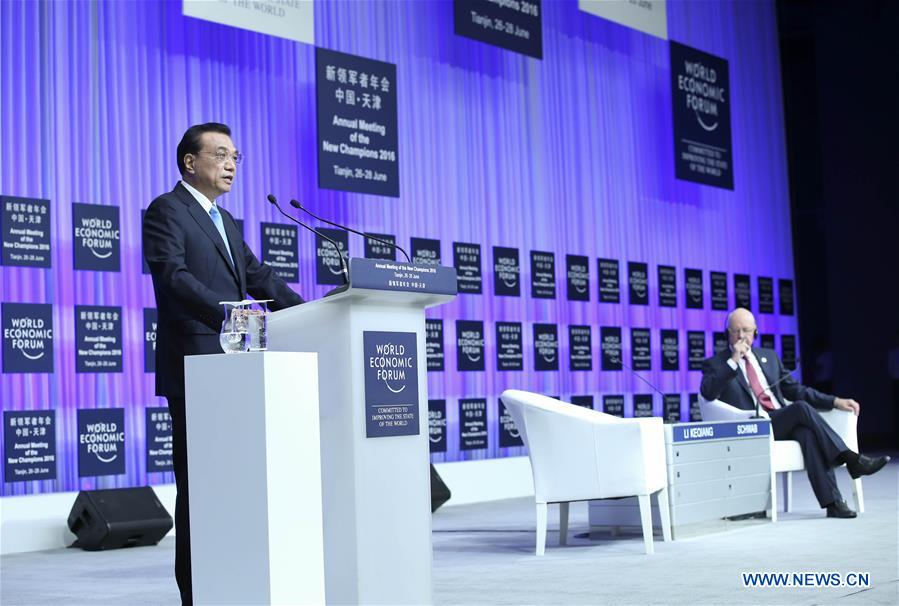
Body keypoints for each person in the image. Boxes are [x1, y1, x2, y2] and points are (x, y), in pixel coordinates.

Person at [142, 123, 304, 605]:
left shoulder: (226, 220)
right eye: (220, 154)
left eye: (236, 156)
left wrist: (306, 310)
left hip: (239, 370)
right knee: (199, 488)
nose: (231, 164)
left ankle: (235, 583)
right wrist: (230, 314)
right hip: (196, 368)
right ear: (190, 162)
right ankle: (195, 593)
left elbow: (257, 276)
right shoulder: (167, 210)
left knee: (237, 482)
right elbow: (173, 277)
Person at [701, 308, 889, 519]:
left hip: (780, 421)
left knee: (807, 434)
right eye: (736, 331)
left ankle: (833, 503)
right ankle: (851, 459)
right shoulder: (716, 363)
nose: (742, 336)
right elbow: (708, 392)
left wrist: (834, 401)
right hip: (753, 425)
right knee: (799, 409)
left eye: (746, 330)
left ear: (755, 332)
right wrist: (734, 360)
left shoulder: (768, 357)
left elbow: (796, 390)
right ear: (727, 334)